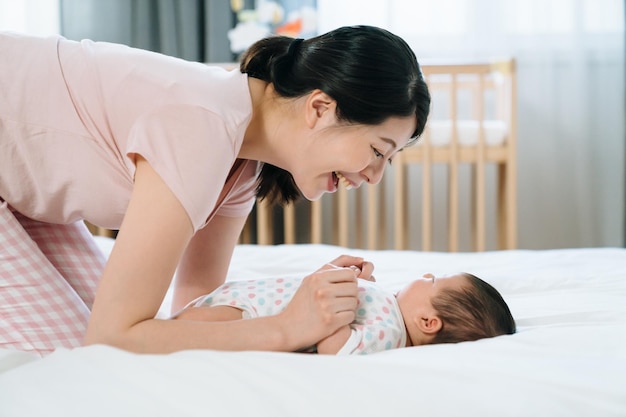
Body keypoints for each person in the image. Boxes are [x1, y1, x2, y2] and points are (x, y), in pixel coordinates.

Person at [0, 25, 431, 355]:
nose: (374, 176)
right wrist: (286, 328)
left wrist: (299, 302)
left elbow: (195, 315)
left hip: (18, 184)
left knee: (103, 342)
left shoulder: (241, 164)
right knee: (78, 358)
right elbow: (115, 337)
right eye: (378, 151)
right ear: (320, 108)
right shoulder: (202, 129)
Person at [173, 256, 517, 354]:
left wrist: (342, 308)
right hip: (259, 298)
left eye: (433, 281)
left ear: (428, 321)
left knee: (185, 325)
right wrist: (355, 282)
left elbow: (338, 349)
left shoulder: (390, 333)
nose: (426, 273)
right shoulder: (391, 310)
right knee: (187, 318)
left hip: (257, 314)